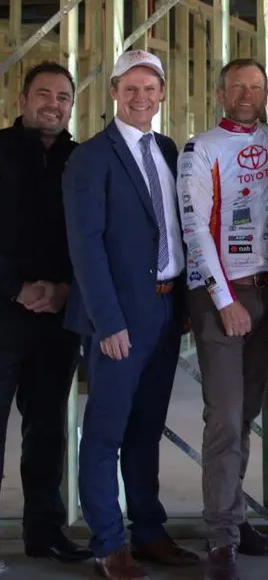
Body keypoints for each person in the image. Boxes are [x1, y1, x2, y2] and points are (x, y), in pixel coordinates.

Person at [64, 49, 198, 580]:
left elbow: (178, 230)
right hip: (119, 318)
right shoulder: (91, 158)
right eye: (130, 88)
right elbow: (86, 245)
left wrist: (182, 304)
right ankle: (108, 542)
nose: (141, 97)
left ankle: (148, 531)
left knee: (146, 430)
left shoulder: (166, 148)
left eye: (150, 88)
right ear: (114, 92)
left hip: (166, 308)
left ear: (162, 93)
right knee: (106, 433)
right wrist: (107, 321)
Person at [177, 58, 268, 580]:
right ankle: (221, 540)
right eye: (237, 87)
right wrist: (223, 299)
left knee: (245, 413)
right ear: (219, 92)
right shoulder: (200, 148)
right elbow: (195, 229)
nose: (247, 94)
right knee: (223, 417)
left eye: (256, 86)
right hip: (222, 296)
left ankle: (237, 519)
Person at [0, 62, 89, 573]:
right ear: (23, 99)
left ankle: (44, 532)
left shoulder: (81, 162)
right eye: (43, 94)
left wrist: (64, 292)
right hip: (1, 313)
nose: (52, 103)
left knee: (48, 429)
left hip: (58, 316)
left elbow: (90, 240)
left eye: (63, 96)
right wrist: (16, 288)